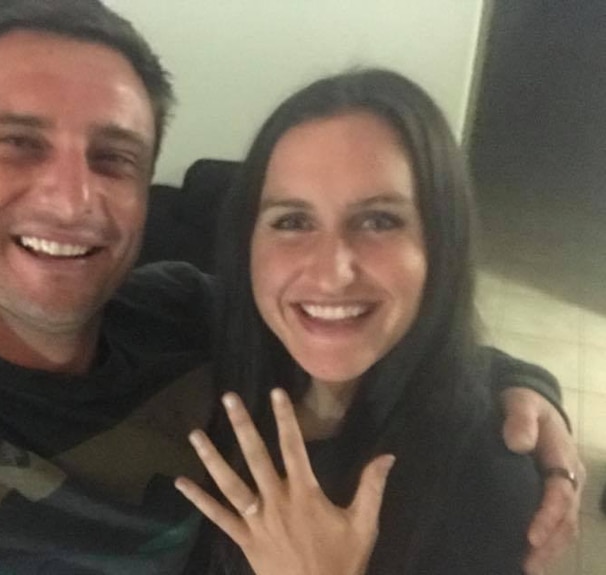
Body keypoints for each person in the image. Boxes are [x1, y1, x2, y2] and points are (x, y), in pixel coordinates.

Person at [0, 1, 581, 573]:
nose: (72, 198)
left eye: (112, 157)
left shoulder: (188, 316)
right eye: (19, 144)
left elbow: (367, 331)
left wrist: (521, 387)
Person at [173, 69, 580, 574]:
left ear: (439, 243)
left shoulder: (487, 480)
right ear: (247, 241)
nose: (332, 272)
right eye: (293, 222)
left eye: (379, 221)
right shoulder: (185, 352)